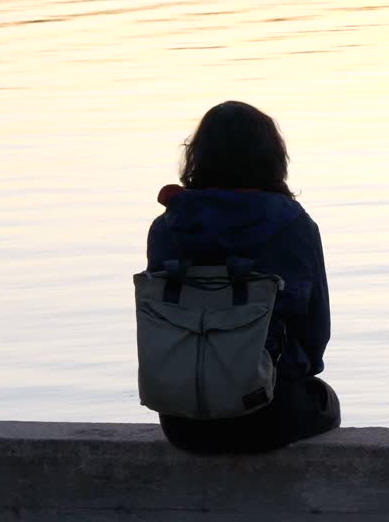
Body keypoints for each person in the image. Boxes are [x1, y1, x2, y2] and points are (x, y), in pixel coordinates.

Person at [145, 100, 339, 453]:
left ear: (196, 157)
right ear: (272, 157)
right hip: (265, 415)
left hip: (181, 422)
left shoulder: (166, 227)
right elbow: (314, 333)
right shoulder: (292, 225)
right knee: (325, 400)